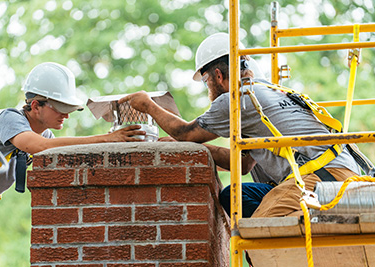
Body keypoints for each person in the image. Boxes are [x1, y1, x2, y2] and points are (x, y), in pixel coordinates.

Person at [118, 32, 361, 218]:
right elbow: (244, 164)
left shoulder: (236, 99)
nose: (208, 88)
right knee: (235, 197)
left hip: (320, 179)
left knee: (263, 230)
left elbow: (185, 133)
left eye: (206, 81)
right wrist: (196, 149)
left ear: (218, 75)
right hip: (341, 174)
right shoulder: (268, 93)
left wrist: (147, 105)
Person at [0, 62, 145, 215]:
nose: (66, 115)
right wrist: (106, 139)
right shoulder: (9, 119)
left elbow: (65, 156)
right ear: (36, 106)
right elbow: (39, 146)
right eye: (60, 108)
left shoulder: (46, 136)